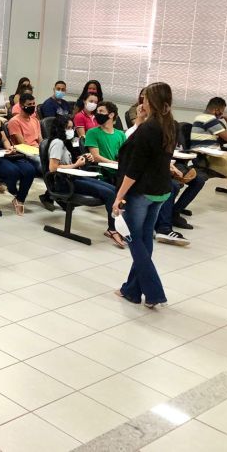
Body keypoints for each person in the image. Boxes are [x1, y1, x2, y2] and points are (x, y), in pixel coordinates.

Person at [113, 82, 177, 308]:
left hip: (142, 191)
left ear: (152, 101)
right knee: (144, 238)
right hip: (160, 190)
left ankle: (154, 293)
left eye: (146, 99)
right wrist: (140, 121)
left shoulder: (149, 129)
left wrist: (119, 196)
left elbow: (134, 169)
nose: (142, 103)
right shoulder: (170, 125)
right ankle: (131, 290)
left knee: (133, 239)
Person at [46, 117, 124, 247]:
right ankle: (113, 229)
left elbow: (69, 161)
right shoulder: (57, 143)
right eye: (68, 128)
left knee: (113, 189)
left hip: (74, 177)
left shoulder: (66, 142)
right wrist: (76, 165)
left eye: (72, 128)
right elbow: (53, 168)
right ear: (60, 128)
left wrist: (83, 158)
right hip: (64, 182)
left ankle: (116, 226)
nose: (71, 131)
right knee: (109, 194)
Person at [84, 101, 126, 178]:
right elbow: (95, 156)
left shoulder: (121, 134)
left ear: (111, 115)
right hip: (103, 173)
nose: (97, 114)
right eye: (97, 111)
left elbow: (125, 154)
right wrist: (114, 163)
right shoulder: (92, 132)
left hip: (120, 173)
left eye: (101, 111)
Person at [6, 93, 43, 174]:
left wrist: (44, 150)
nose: (32, 106)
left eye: (33, 104)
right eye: (29, 104)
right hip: (26, 153)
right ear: (21, 105)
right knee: (44, 164)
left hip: (38, 151)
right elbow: (23, 144)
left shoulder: (35, 120)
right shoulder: (14, 121)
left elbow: (40, 140)